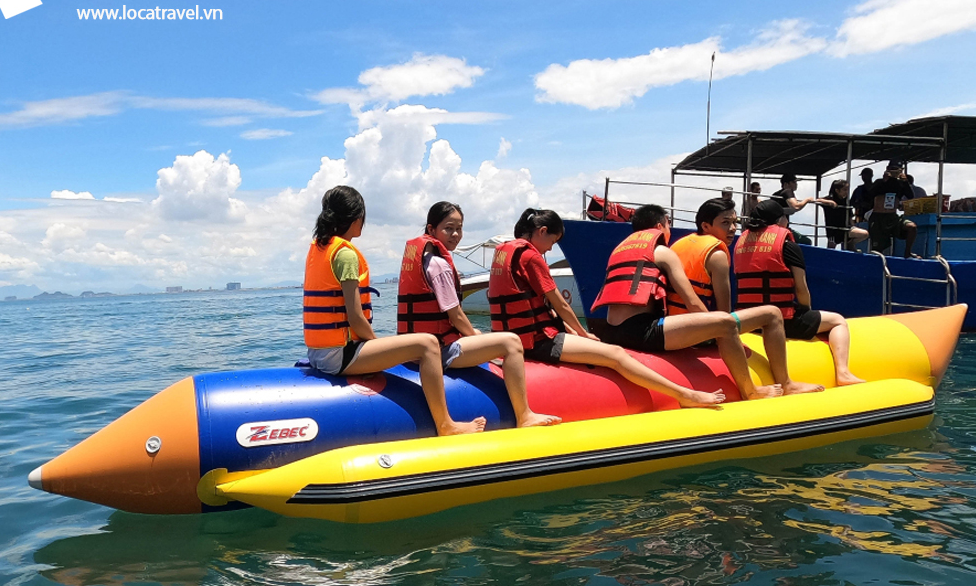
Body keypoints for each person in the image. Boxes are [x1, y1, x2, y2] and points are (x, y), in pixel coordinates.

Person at [488, 208, 725, 409]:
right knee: (616, 355)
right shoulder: (530, 257)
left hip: (514, 340)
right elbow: (561, 303)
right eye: (552, 241)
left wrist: (568, 329)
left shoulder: (503, 252)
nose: (549, 250)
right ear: (542, 231)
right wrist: (583, 334)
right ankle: (684, 394)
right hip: (538, 342)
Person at [304, 186, 486, 435]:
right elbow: (356, 318)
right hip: (339, 356)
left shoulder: (319, 248)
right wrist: (379, 347)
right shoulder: (345, 254)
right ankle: (446, 425)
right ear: (356, 218)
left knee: (411, 343)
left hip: (318, 354)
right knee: (427, 343)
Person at [590, 204, 781, 401]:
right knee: (726, 323)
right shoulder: (662, 252)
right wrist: (716, 330)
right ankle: (750, 391)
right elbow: (692, 302)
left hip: (611, 331)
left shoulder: (621, 249)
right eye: (668, 225)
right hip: (642, 331)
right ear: (660, 226)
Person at [398, 201, 561, 428]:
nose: (456, 234)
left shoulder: (424, 259)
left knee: (478, 334)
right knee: (511, 342)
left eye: (459, 228)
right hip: (438, 353)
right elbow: (455, 315)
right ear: (432, 229)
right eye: (449, 228)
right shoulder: (438, 265)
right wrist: (474, 336)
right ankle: (524, 415)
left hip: (415, 351)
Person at [671, 198, 823, 395]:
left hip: (673, 327)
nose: (733, 228)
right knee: (772, 313)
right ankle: (785, 383)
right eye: (725, 223)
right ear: (706, 226)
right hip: (698, 334)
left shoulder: (679, 245)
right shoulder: (717, 254)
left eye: (734, 222)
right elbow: (724, 314)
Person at [734, 200, 864, 386]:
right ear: (780, 220)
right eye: (785, 217)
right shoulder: (787, 246)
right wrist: (806, 311)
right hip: (781, 322)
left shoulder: (741, 243)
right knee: (838, 320)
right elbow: (801, 288)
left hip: (749, 321)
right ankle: (843, 372)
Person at [868, 161, 919, 258]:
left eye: (897, 170)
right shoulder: (879, 182)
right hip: (878, 217)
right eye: (892, 169)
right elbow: (870, 194)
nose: (894, 172)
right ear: (888, 169)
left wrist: (905, 182)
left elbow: (910, 196)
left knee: (912, 227)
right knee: (877, 249)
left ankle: (907, 252)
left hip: (892, 216)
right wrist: (885, 180)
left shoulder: (901, 184)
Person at [771, 172, 834, 246]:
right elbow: (796, 206)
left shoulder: (775, 195)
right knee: (807, 241)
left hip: (773, 228)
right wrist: (807, 200)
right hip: (782, 229)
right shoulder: (787, 191)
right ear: (786, 184)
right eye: (793, 182)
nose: (796, 184)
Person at [819, 179, 868, 250]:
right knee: (830, 250)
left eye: (847, 190)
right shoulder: (830, 199)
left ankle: (850, 244)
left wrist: (853, 226)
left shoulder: (846, 201)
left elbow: (850, 217)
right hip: (834, 231)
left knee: (865, 234)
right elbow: (817, 200)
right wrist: (830, 202)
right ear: (837, 190)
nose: (846, 192)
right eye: (844, 190)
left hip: (846, 229)